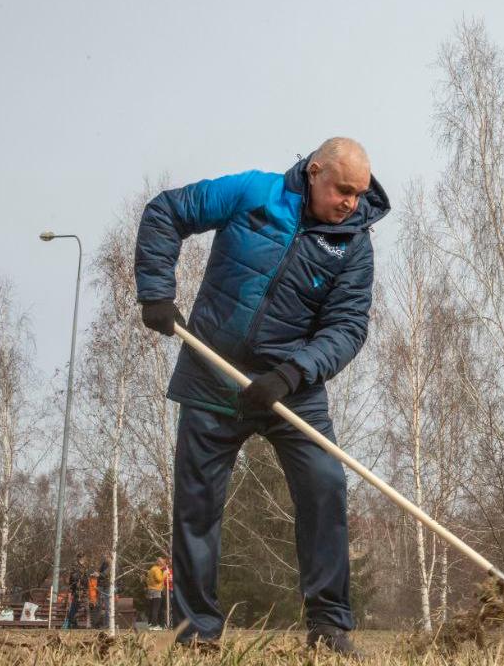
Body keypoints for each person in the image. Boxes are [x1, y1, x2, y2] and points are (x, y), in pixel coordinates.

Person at [135, 137, 388, 653]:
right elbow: (166, 212)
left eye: (359, 195)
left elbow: (346, 328)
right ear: (314, 171)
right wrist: (156, 291)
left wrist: (292, 374)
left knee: (325, 486)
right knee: (197, 506)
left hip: (289, 387)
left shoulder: (354, 245)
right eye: (343, 190)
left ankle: (329, 629)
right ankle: (195, 635)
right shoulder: (253, 192)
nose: (351, 204)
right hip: (212, 373)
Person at [63, 553, 87, 629]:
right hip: (76, 589)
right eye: (82, 558)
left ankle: (73, 622)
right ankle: (70, 621)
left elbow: (85, 577)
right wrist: (79, 578)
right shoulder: (75, 566)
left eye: (83, 558)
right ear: (80, 558)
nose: (83, 559)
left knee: (76, 606)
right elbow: (73, 577)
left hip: (82, 589)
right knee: (75, 605)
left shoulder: (83, 566)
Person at [146, 557, 167, 630]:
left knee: (152, 607)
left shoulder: (151, 569)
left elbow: (148, 580)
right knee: (156, 608)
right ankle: (154, 625)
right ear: (160, 563)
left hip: (150, 590)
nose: (164, 565)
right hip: (156, 590)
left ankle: (150, 624)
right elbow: (159, 579)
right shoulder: (157, 570)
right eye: (163, 563)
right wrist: (164, 574)